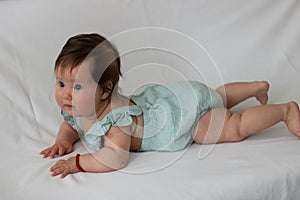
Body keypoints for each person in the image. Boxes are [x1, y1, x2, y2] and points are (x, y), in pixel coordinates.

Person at [40, 33, 300, 178]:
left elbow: (115, 158)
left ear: (105, 90)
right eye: (61, 84)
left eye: (76, 87)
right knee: (215, 95)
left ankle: (284, 111)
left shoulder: (117, 122)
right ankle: (256, 87)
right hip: (179, 97)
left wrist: (77, 163)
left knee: (234, 126)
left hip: (185, 122)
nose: (66, 96)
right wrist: (63, 140)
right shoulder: (78, 109)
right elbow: (71, 124)